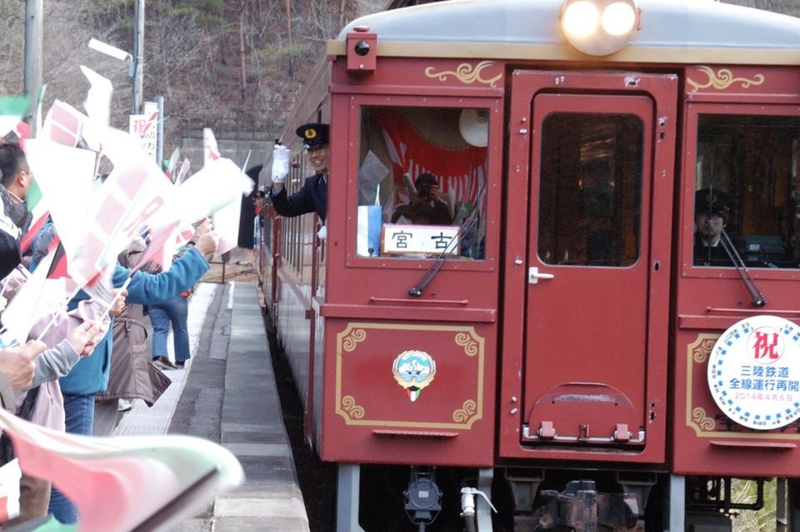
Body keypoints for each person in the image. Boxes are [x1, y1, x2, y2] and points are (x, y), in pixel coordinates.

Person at [47, 226, 219, 524]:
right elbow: (158, 287)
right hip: (78, 376)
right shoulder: (91, 260)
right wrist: (199, 252)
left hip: (52, 370)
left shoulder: (50, 249)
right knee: (71, 471)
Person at [149, 220, 214, 371]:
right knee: (180, 328)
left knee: (160, 328)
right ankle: (180, 361)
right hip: (176, 295)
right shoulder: (186, 238)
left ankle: (160, 356)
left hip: (155, 292)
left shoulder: (156, 241)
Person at [269, 123, 330, 223]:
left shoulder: (349, 178)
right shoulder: (313, 185)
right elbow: (286, 208)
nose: (314, 155)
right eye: (309, 150)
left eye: (319, 149)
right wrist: (277, 180)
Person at [694, 188, 735, 266]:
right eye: (703, 214)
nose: (708, 221)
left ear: (724, 221)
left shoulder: (735, 248)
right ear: (695, 219)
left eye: (715, 216)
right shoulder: (687, 246)